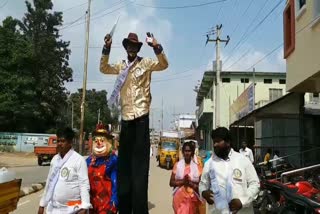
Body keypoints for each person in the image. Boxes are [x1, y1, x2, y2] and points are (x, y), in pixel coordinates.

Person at [100, 32, 168, 214]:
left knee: (139, 169)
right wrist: (106, 47)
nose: (131, 48)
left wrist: (156, 46)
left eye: (134, 46)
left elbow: (164, 64)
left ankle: (139, 210)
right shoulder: (121, 66)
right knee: (124, 168)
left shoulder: (145, 63)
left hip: (141, 119)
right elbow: (104, 68)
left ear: (138, 48)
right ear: (125, 47)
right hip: (126, 120)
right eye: (129, 45)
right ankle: (124, 208)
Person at [199, 127, 260, 214]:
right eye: (214, 142)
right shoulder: (209, 164)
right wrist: (204, 193)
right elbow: (202, 184)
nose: (215, 145)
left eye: (218, 141)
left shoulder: (242, 160)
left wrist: (242, 201)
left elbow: (255, 184)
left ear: (228, 142)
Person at [38, 127, 90, 214]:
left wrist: (84, 206)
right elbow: (49, 182)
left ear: (70, 142)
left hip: (72, 208)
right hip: (53, 209)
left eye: (62, 141)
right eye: (58, 141)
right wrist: (42, 204)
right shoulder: (55, 159)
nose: (59, 144)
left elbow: (84, 184)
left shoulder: (79, 160)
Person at [86, 123, 118, 214]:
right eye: (96, 140)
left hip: (106, 207)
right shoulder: (88, 161)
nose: (99, 143)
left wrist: (113, 204)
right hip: (91, 206)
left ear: (109, 142)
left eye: (102, 140)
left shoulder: (113, 161)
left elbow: (116, 185)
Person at [169, 141, 203, 214]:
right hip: (179, 198)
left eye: (189, 151)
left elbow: (201, 186)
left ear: (192, 152)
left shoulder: (198, 167)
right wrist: (183, 181)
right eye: (185, 151)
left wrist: (190, 183)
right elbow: (171, 183)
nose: (187, 153)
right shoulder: (177, 165)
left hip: (193, 198)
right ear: (183, 152)